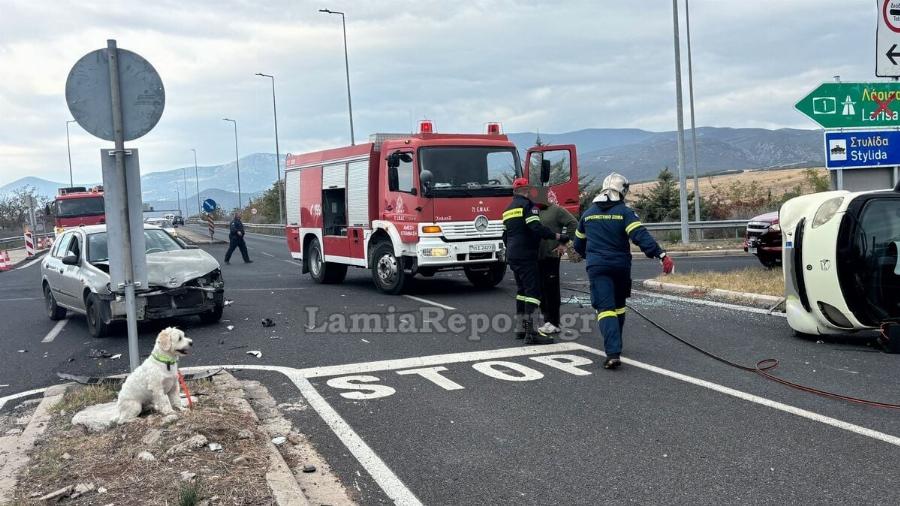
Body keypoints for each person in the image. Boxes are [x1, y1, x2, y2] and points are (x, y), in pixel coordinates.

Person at [573, 173, 674, 369]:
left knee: (605, 308)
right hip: (620, 266)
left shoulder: (588, 214)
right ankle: (615, 343)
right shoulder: (625, 213)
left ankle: (613, 352)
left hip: (597, 267)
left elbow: (578, 245)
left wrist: (592, 257)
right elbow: (640, 236)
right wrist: (661, 255)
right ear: (622, 191)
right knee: (618, 306)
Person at [502, 178, 569, 344]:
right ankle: (531, 333)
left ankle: (521, 329)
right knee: (533, 293)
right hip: (526, 255)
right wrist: (558, 236)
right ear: (526, 190)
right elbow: (536, 228)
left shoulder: (507, 209)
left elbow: (504, 235)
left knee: (522, 291)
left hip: (513, 255)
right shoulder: (528, 206)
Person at [536, 194, 579, 337]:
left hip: (551, 255)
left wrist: (563, 244)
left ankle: (554, 323)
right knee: (541, 288)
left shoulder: (557, 210)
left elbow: (573, 223)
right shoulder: (536, 211)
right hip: (537, 256)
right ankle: (546, 319)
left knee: (551, 289)